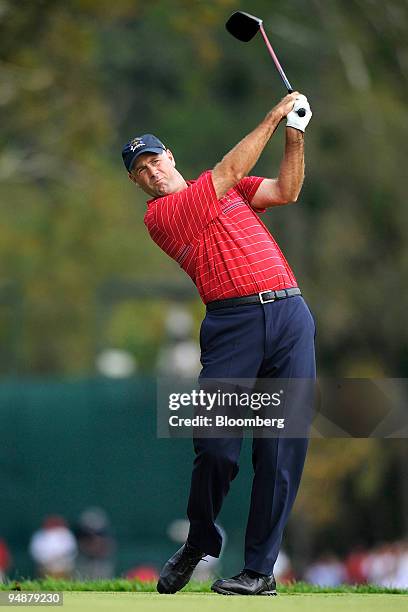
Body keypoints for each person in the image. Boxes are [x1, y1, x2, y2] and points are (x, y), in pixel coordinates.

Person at [121, 92, 316, 596]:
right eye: (139, 170)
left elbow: (286, 189)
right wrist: (274, 115)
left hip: (290, 314)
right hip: (234, 326)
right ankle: (200, 540)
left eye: (154, 160)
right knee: (216, 449)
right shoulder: (163, 216)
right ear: (136, 182)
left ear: (170, 157)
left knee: (279, 451)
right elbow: (229, 169)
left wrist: (295, 133)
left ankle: (259, 571)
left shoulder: (227, 190)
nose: (151, 172)